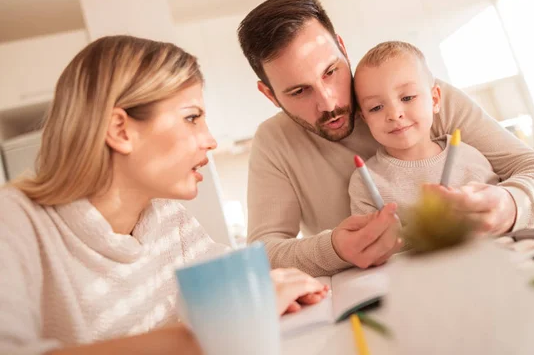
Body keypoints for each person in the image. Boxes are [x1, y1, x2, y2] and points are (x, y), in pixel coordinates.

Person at [0, 36, 328, 355]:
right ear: (120, 130)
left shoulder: (167, 219)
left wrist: (274, 290)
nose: (211, 140)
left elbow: (239, 285)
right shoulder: (15, 222)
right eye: (191, 118)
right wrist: (200, 338)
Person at [237, 0, 534, 277]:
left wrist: (511, 204)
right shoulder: (273, 142)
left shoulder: (421, 100)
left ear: (342, 49)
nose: (330, 102)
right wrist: (334, 249)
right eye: (299, 91)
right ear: (269, 94)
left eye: (331, 72)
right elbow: (262, 255)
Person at [348, 41, 500, 229]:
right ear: (365, 118)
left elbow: (497, 218)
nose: (395, 114)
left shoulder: (469, 158)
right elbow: (371, 246)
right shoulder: (364, 181)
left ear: (435, 100)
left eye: (407, 98)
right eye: (376, 107)